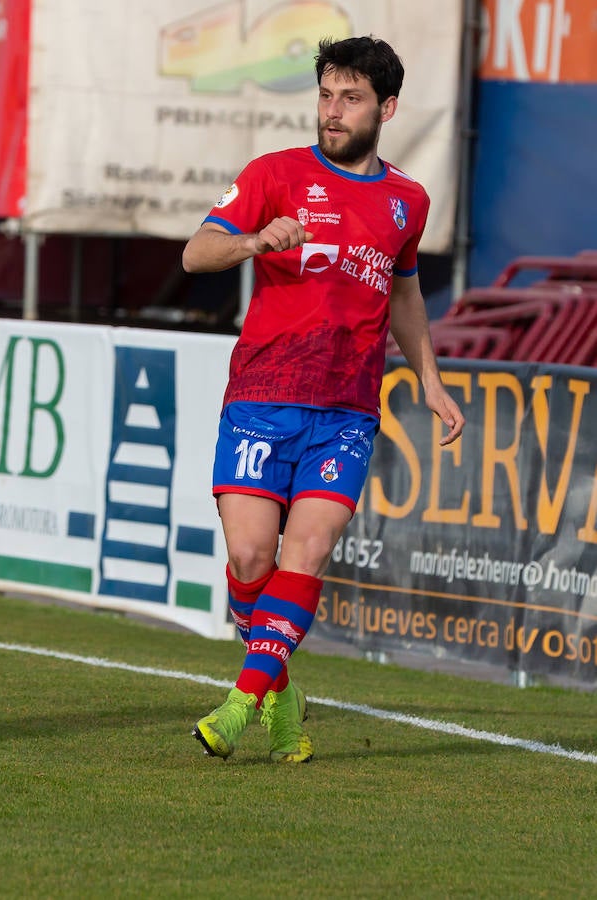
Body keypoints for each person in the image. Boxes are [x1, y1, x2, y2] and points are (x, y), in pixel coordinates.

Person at [181, 36, 464, 762]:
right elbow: (196, 252)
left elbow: (404, 291)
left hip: (346, 410)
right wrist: (251, 241)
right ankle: (282, 690)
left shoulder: (408, 201)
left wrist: (428, 377)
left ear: (387, 108)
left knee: (305, 551)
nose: (332, 113)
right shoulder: (274, 174)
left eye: (351, 99)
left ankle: (243, 703)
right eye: (326, 96)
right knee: (249, 556)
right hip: (263, 396)